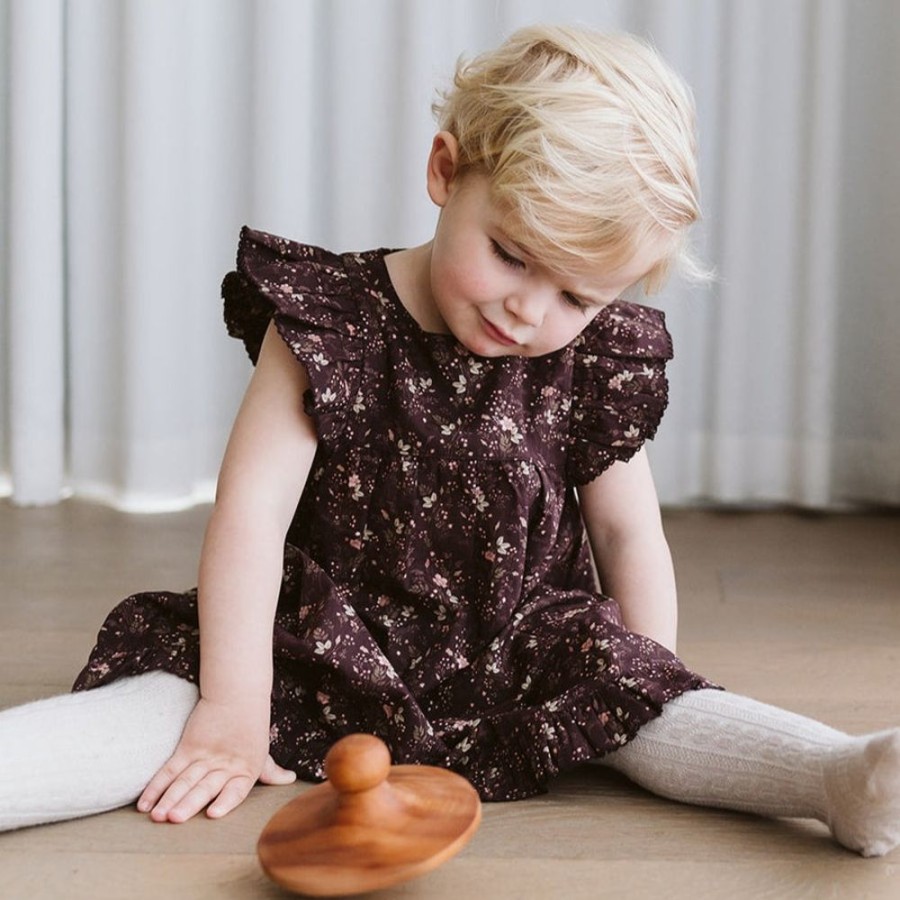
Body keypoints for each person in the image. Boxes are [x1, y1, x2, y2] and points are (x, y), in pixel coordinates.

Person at [1, 24, 898, 858]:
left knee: (671, 708)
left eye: (577, 298)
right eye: (511, 255)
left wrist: (638, 680)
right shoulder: (332, 321)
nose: (529, 310)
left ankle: (835, 776)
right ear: (445, 171)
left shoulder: (590, 357)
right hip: (316, 637)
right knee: (168, 701)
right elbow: (250, 518)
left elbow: (629, 533)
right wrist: (236, 705)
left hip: (518, 642)